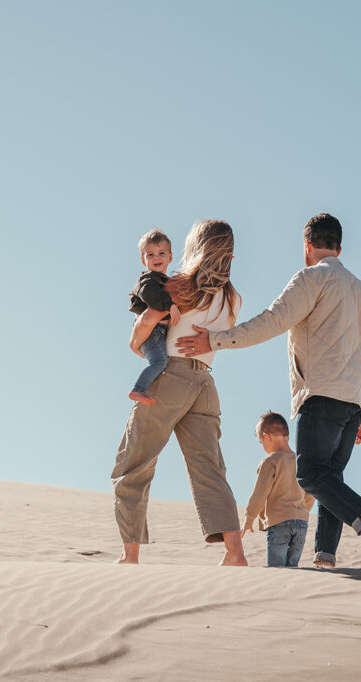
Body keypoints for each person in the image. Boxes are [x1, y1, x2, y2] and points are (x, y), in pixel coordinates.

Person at [176, 213, 361, 569]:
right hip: (357, 399)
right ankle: (325, 558)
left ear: (307, 245)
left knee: (309, 473)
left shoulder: (312, 278)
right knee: (330, 479)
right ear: (340, 248)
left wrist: (215, 340)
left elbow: (273, 321)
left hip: (322, 392)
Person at [112, 219, 247, 566]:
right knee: (210, 469)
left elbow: (145, 324)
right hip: (205, 382)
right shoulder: (233, 297)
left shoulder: (178, 285)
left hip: (170, 376)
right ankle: (235, 552)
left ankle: (130, 556)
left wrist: (134, 342)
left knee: (133, 466)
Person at [241, 411, 315, 568]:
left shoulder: (270, 461)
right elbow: (311, 492)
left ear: (266, 437)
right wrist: (301, 510)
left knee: (277, 570)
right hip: (302, 523)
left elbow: (259, 494)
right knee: (292, 568)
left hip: (280, 523)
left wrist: (249, 519)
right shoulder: (301, 461)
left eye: (261, 441)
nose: (262, 446)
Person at [127, 229, 182, 405]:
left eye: (161, 253)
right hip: (153, 332)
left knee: (162, 363)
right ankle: (138, 390)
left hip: (158, 331)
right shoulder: (148, 280)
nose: (156, 258)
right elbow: (149, 294)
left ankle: (148, 389)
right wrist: (171, 305)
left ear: (170, 257)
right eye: (150, 255)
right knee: (159, 362)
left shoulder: (163, 280)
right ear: (144, 260)